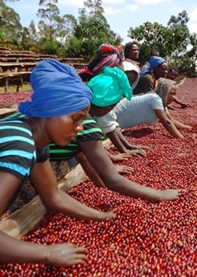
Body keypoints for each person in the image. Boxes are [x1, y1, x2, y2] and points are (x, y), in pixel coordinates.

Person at [0, 59, 115, 273]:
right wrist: (48, 253)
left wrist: (100, 216)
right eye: (75, 119)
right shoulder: (20, 146)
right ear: (51, 110)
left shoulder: (30, 136)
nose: (79, 129)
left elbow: (52, 196)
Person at [49, 66, 181, 203]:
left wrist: (105, 171)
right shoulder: (86, 124)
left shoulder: (75, 111)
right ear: (108, 106)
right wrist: (159, 195)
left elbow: (83, 154)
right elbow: (113, 180)